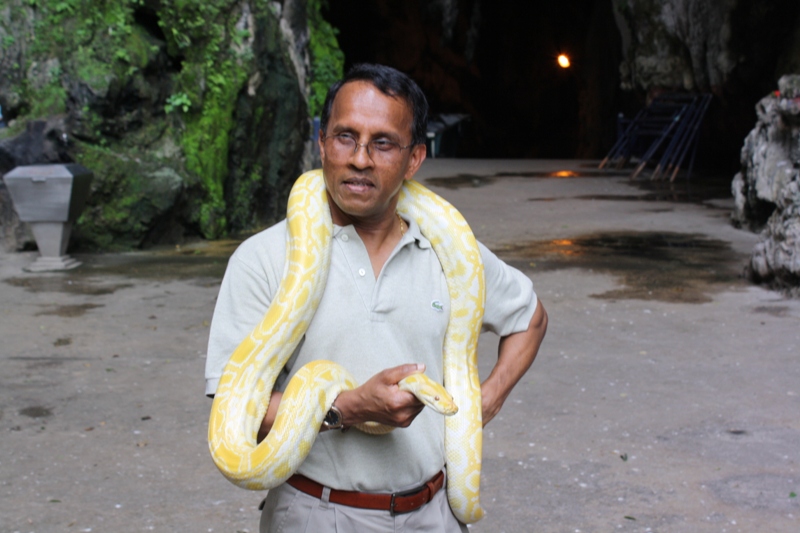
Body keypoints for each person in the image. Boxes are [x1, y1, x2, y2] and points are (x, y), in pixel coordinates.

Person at [205, 63, 548, 532]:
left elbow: (530, 319)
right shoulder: (263, 259)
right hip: (315, 515)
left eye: (383, 143)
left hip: (434, 514)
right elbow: (238, 410)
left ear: (414, 159)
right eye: (345, 137)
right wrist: (347, 408)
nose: (360, 159)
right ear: (321, 143)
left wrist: (482, 401)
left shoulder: (454, 254)